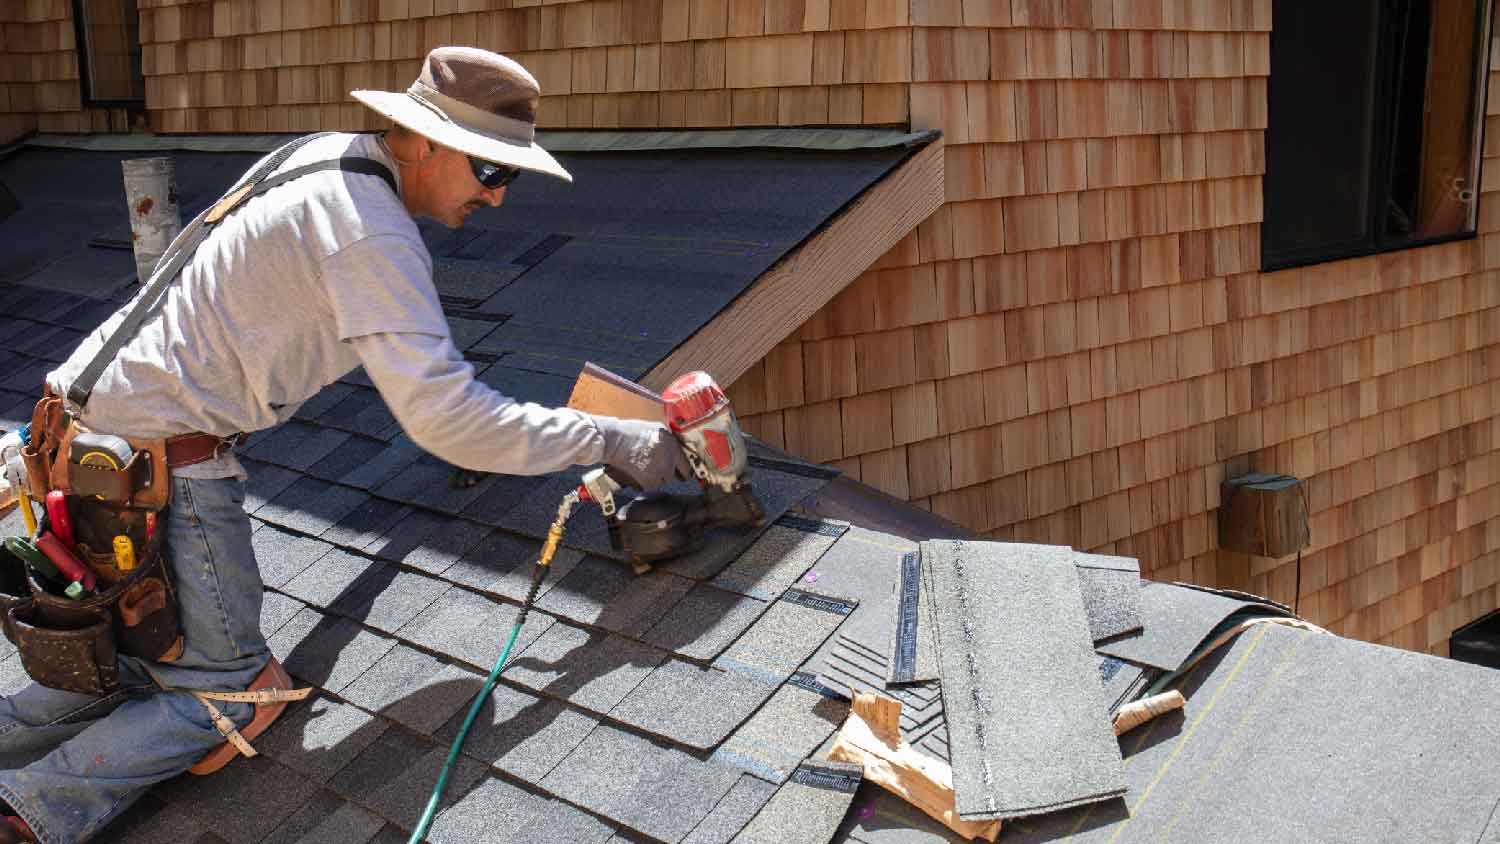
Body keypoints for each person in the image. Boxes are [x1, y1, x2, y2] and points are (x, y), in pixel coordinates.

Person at [0, 47, 686, 844]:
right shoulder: (371, 234)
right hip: (158, 465)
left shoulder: (325, 156)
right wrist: (614, 439)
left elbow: (417, 362)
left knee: (126, 666)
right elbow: (443, 414)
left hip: (76, 436)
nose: (497, 198)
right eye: (490, 171)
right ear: (422, 140)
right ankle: (29, 808)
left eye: (512, 177)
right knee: (233, 695)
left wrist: (473, 421)